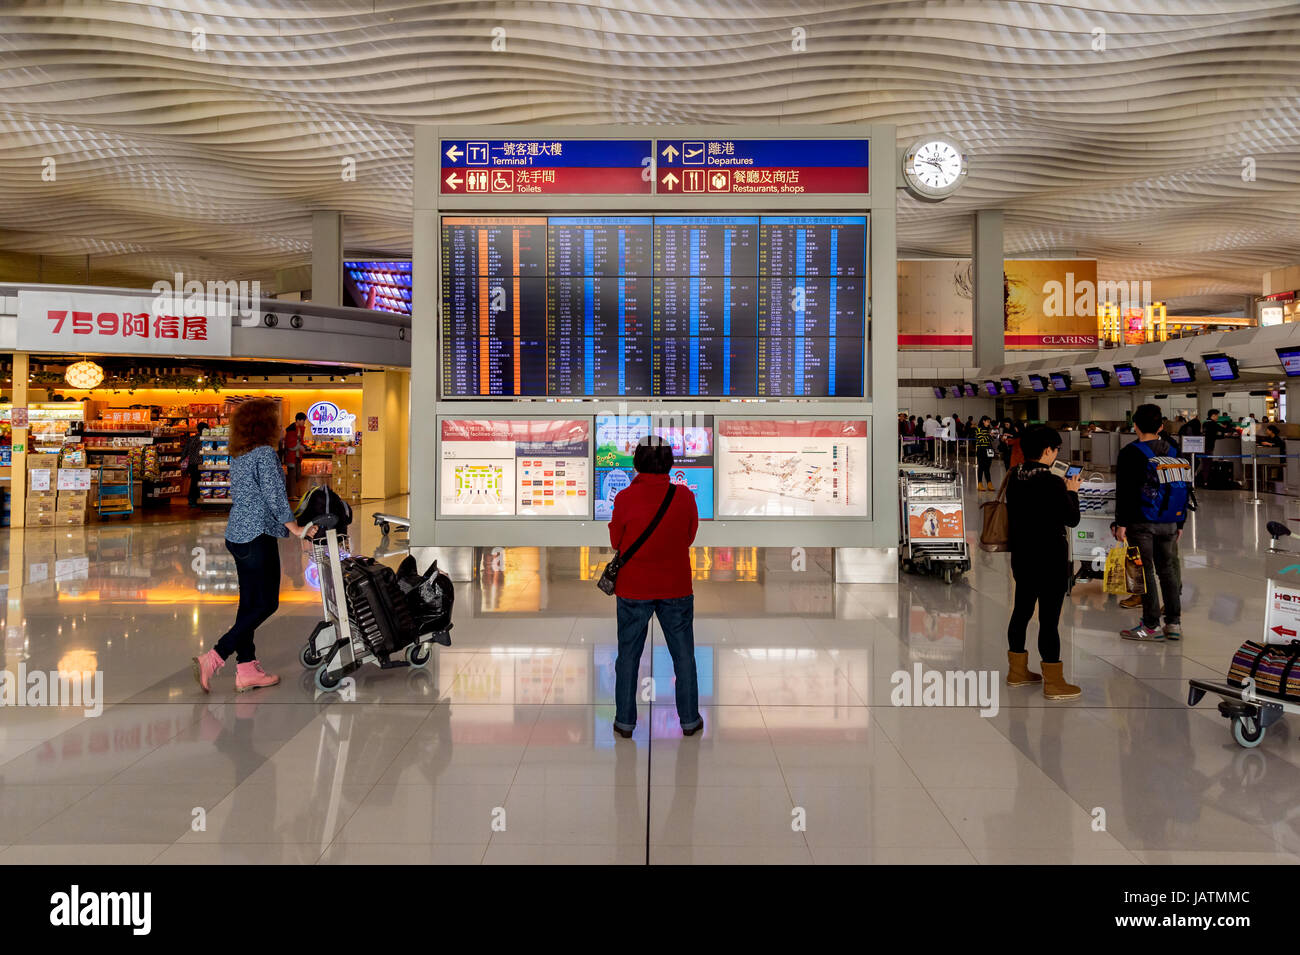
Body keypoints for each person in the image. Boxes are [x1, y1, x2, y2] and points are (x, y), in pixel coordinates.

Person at [192, 398, 315, 693]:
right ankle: (216, 656)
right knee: (266, 603)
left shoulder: (239, 453)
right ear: (265, 424)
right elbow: (274, 495)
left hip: (237, 534)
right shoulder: (264, 454)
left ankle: (246, 669)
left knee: (248, 604)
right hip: (257, 535)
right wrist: (296, 528)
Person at [609, 435, 703, 739]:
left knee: (628, 657)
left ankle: (625, 721)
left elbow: (616, 542)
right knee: (683, 657)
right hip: (676, 586)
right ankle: (689, 720)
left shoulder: (624, 498)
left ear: (637, 462)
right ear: (669, 463)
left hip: (633, 589)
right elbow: (689, 536)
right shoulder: (685, 498)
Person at [1005, 424, 1083, 701]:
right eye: (1056, 450)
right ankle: (1054, 681)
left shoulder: (1015, 476)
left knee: (1022, 611)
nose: (1055, 454)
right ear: (1048, 450)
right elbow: (1071, 518)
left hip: (1023, 556)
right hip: (1050, 558)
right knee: (1049, 620)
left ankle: (1017, 672)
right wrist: (1072, 491)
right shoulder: (1050, 482)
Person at [1116, 403, 1187, 642]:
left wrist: (1120, 523)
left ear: (1134, 426)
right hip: (1169, 521)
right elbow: (1184, 487)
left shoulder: (1130, 453)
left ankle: (1150, 625)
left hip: (1140, 522)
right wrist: (1181, 522)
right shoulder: (1174, 450)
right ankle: (1174, 624)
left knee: (1144, 572)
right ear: (1160, 426)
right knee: (1167, 571)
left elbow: (1124, 492)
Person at [282, 411, 309, 498]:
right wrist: (300, 447)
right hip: (291, 456)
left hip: (297, 456)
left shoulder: (299, 429)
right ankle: (291, 495)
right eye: (303, 420)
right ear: (298, 420)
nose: (304, 422)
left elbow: (299, 442)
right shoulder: (291, 429)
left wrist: (302, 446)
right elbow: (290, 445)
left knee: (297, 475)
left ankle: (293, 494)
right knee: (292, 477)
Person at [184, 421, 208, 507]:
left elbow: (185, 451)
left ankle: (192, 500)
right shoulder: (206, 439)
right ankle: (198, 499)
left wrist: (182, 459)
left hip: (192, 464)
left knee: (194, 482)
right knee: (201, 482)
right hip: (201, 464)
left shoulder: (191, 438)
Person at [974, 415, 996, 491]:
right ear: (983, 421)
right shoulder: (978, 429)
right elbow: (980, 440)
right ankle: (979, 483)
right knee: (981, 467)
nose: (988, 423)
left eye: (989, 422)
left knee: (987, 467)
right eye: (987, 421)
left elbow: (992, 439)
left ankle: (989, 483)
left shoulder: (988, 429)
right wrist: (988, 435)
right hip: (981, 450)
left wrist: (993, 435)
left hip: (989, 450)